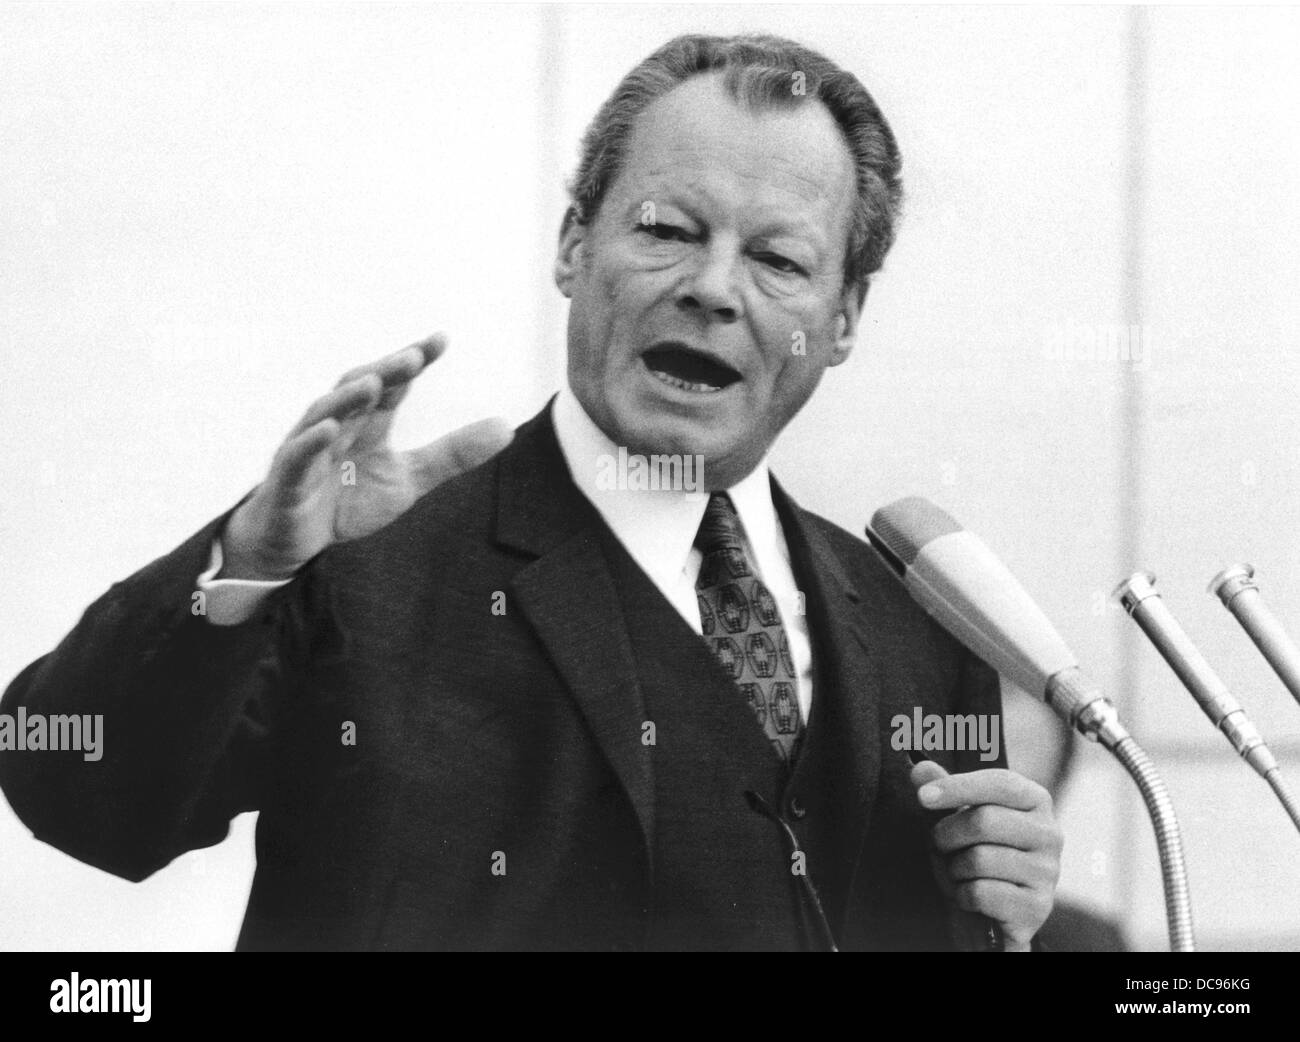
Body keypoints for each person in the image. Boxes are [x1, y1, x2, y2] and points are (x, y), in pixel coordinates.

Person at [0, 32, 1061, 951]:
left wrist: (998, 926)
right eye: (664, 230)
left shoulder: (922, 637)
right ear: (572, 245)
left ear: (841, 319)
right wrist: (253, 563)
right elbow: (78, 789)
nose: (710, 286)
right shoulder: (370, 558)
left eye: (778, 259)